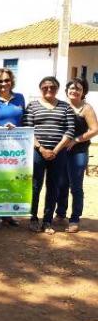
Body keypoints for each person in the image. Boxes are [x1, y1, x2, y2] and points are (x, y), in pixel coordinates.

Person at [22, 76, 75, 234]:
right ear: (40, 88)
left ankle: (47, 221)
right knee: (35, 186)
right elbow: (28, 129)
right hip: (38, 152)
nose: (49, 89)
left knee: (53, 187)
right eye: (45, 87)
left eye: (52, 87)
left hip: (58, 153)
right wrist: (42, 149)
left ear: (57, 89)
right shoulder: (32, 106)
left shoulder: (66, 107)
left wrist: (56, 150)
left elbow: (70, 131)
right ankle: (33, 219)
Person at [55, 78, 98, 233]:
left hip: (78, 152)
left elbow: (94, 129)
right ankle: (60, 214)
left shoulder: (86, 108)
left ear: (83, 92)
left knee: (76, 186)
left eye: (78, 88)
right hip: (61, 151)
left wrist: (76, 140)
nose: (74, 90)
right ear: (66, 91)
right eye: (71, 88)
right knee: (61, 184)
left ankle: (74, 219)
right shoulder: (61, 106)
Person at [0, 68, 25, 228]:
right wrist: (0, 127)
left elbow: (24, 120)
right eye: (0, 81)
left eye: (6, 80)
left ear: (11, 81)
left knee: (13, 178)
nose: (3, 84)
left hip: (18, 145)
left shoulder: (20, 98)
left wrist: (17, 128)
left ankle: (9, 214)